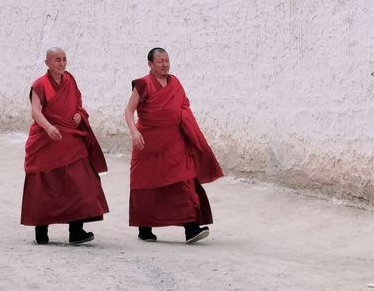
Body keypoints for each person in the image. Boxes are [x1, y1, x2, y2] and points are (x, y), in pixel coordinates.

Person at [125, 47, 223, 244]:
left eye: (167, 60)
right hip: (148, 143)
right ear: (150, 64)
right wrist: (134, 132)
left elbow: (183, 106)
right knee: (146, 184)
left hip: (174, 140)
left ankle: (191, 228)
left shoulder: (175, 82)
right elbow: (128, 111)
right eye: (160, 61)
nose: (165, 65)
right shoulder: (143, 84)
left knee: (184, 180)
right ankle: (145, 228)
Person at [21, 48, 109, 245]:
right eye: (57, 60)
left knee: (80, 181)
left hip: (71, 138)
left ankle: (76, 231)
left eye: (64, 59)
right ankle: (41, 231)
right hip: (46, 140)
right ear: (47, 63)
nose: (62, 64)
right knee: (44, 184)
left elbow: (77, 102)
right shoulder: (40, 84)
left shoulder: (70, 79)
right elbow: (36, 111)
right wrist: (48, 127)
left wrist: (79, 113)